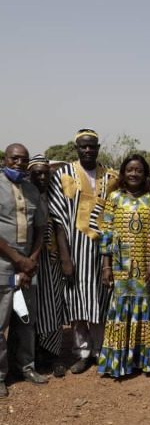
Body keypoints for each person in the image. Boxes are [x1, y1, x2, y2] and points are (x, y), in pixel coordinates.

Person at [48, 129, 119, 374]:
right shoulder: (64, 174)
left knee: (101, 301)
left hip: (103, 252)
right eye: (83, 146)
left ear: (98, 147)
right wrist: (65, 258)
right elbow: (58, 218)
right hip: (75, 251)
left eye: (92, 146)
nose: (88, 150)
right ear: (76, 148)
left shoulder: (110, 177)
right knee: (77, 303)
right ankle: (82, 352)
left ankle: (101, 351)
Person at [98, 154, 150, 378]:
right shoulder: (114, 198)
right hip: (120, 265)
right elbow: (106, 234)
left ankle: (143, 361)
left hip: (145, 264)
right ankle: (120, 363)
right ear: (123, 173)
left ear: (145, 174)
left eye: (138, 170)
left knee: (145, 308)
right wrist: (107, 266)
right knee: (120, 309)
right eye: (130, 170)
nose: (134, 174)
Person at [0, 144, 48, 398]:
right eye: (14, 158)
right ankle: (0, 375)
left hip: (28, 267)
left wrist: (32, 259)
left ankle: (26, 367)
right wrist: (17, 259)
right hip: (4, 266)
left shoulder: (31, 190)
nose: (18, 163)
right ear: (5, 159)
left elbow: (40, 228)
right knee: (1, 321)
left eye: (23, 160)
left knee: (25, 320)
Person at [28, 155, 66, 377]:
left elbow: (61, 227)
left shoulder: (55, 196)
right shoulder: (23, 195)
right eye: (37, 173)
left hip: (50, 260)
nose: (42, 177)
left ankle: (52, 354)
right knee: (27, 309)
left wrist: (65, 258)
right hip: (27, 260)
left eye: (46, 173)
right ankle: (29, 356)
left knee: (52, 307)